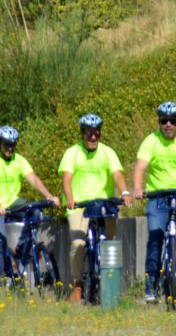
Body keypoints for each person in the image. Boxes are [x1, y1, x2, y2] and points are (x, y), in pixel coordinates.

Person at [59, 113, 133, 302]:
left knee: (109, 246)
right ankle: (77, 284)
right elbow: (66, 179)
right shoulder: (72, 153)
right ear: (82, 134)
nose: (93, 137)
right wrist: (70, 198)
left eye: (96, 133)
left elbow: (117, 175)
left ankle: (110, 287)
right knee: (78, 244)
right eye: (89, 133)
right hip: (79, 206)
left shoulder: (108, 152)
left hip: (103, 205)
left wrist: (124, 192)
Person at [0, 125, 60, 281]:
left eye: (13, 144)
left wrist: (49, 196)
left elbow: (33, 179)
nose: (10, 148)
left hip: (12, 202)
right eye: (7, 144)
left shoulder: (19, 160)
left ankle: (19, 250)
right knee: (0, 241)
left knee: (35, 212)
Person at [132, 101, 176, 304]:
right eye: (164, 120)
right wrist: (138, 187)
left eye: (173, 121)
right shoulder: (151, 141)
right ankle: (150, 285)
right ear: (159, 122)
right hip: (157, 197)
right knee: (155, 238)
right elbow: (140, 167)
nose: (168, 125)